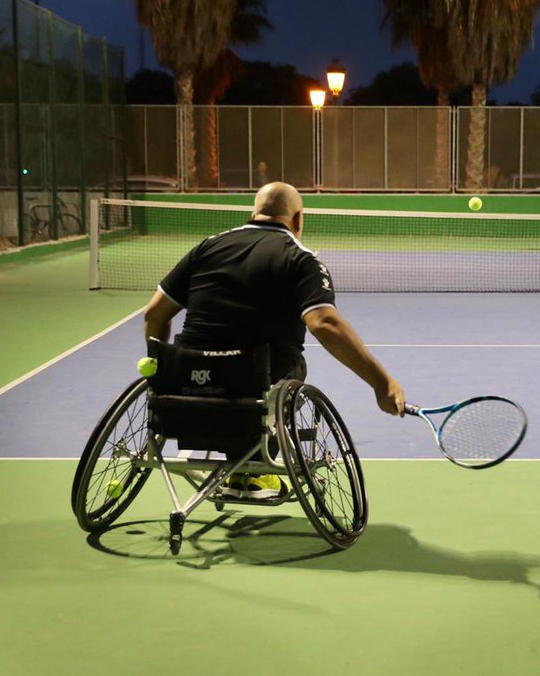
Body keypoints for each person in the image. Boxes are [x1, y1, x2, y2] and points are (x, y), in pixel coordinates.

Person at [142, 182, 405, 498]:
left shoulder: (207, 248)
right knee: (293, 365)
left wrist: (160, 372)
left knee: (232, 368)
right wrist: (381, 382)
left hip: (183, 380)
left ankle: (231, 453)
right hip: (251, 383)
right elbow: (324, 323)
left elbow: (154, 314)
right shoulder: (299, 258)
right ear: (297, 220)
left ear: (252, 213)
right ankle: (252, 469)